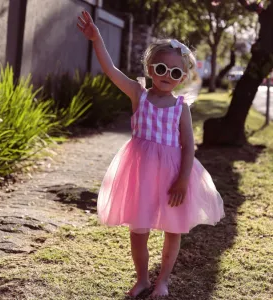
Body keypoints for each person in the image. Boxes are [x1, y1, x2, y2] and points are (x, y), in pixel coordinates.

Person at [77, 11, 225, 298]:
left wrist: (183, 180)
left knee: (173, 230)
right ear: (149, 67)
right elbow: (110, 70)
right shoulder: (138, 94)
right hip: (141, 174)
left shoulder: (180, 107)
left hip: (173, 177)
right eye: (160, 69)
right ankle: (143, 279)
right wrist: (96, 40)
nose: (166, 76)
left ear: (183, 77)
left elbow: (188, 145)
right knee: (139, 229)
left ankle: (163, 281)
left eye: (175, 72)